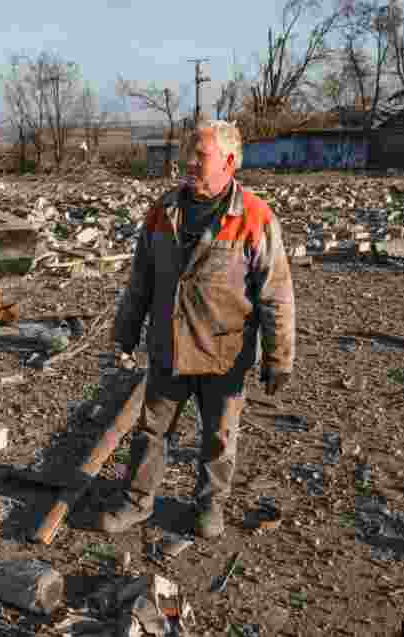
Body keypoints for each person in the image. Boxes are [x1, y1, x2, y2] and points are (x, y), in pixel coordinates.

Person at [99, 120, 296, 539]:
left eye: (199, 155)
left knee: (219, 437)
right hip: (169, 346)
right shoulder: (162, 211)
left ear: (229, 161)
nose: (188, 162)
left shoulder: (255, 217)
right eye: (188, 153)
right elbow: (141, 281)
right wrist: (125, 335)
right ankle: (137, 502)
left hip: (224, 351)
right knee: (152, 432)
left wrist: (279, 357)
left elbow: (275, 292)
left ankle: (209, 506)